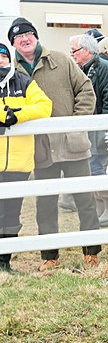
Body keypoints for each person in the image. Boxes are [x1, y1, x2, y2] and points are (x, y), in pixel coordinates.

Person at [8, 17, 101, 271]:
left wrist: (75, 123)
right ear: (13, 43)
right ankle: (50, 256)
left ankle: (91, 252)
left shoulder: (61, 60)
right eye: (18, 38)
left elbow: (86, 90)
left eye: (28, 34)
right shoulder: (10, 71)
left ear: (36, 36)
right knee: (45, 204)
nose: (24, 39)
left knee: (85, 199)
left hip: (73, 145)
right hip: (39, 149)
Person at [0, 43, 52, 273]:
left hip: (19, 163)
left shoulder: (24, 82)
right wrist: (3, 114)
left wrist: (17, 115)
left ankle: (4, 261)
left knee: (12, 213)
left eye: (2, 56)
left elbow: (44, 106)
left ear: (9, 59)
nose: (0, 61)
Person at [69, 33, 108, 227]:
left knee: (99, 167)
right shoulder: (89, 68)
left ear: (86, 51)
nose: (72, 54)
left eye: (74, 50)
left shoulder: (104, 69)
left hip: (104, 128)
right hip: (95, 127)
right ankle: (103, 205)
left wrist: (103, 132)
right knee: (94, 167)